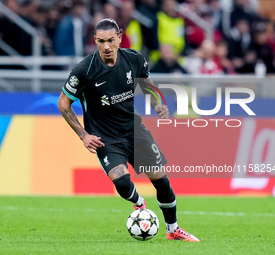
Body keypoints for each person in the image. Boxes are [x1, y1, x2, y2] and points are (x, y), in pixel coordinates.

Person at [58, 18, 199, 242]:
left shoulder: (134, 59)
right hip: (105, 138)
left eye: (111, 41)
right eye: (101, 41)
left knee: (161, 180)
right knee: (122, 181)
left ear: (120, 38)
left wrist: (158, 105)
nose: (106, 46)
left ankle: (173, 229)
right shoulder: (84, 70)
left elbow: (148, 86)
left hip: (134, 130)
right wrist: (84, 135)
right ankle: (139, 204)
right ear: (95, 40)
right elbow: (64, 103)